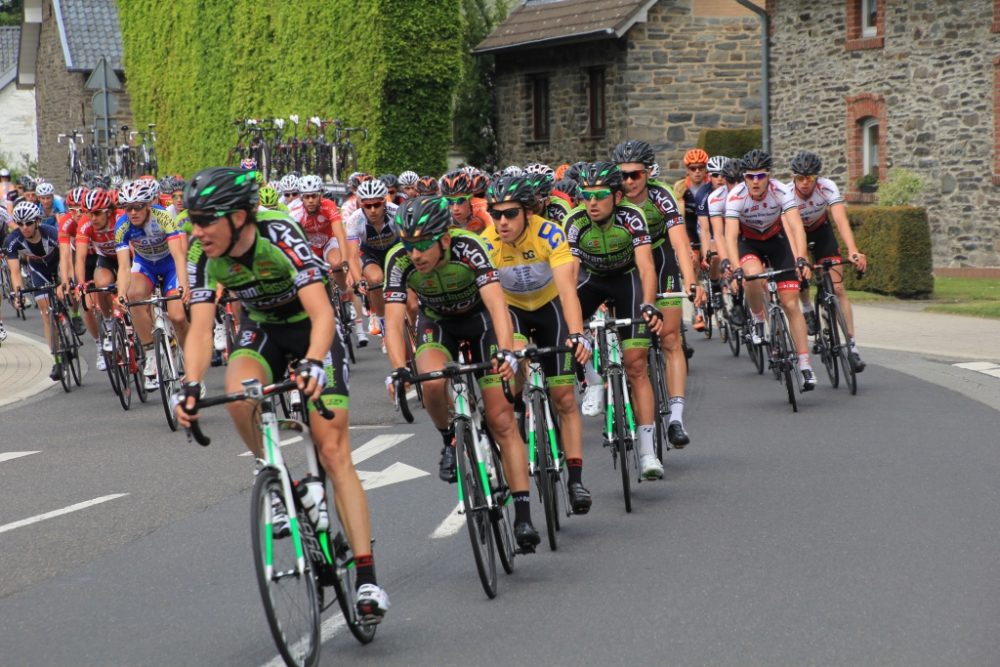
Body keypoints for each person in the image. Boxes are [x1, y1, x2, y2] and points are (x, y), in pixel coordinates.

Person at [176, 166, 389, 621]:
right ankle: (281, 482)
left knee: (333, 452)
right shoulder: (202, 252)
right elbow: (199, 324)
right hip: (264, 330)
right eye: (193, 219)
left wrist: (313, 361)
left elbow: (321, 312)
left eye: (206, 219)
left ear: (239, 217)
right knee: (238, 395)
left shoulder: (279, 233)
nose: (197, 230)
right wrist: (191, 384)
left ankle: (368, 578)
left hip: (310, 329)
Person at [382, 195, 542, 552]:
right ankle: (448, 440)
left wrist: (505, 351)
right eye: (409, 246)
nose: (415, 255)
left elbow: (497, 304)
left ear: (444, 239)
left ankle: (523, 514)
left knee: (501, 420)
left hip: (480, 322)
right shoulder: (399, 261)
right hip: (438, 325)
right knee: (433, 382)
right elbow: (393, 322)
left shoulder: (470, 247)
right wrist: (397, 369)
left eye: (423, 245)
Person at [481, 175, 595, 514]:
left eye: (511, 214)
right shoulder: (487, 243)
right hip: (512, 311)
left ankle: (575, 481)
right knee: (512, 361)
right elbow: (492, 306)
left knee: (563, 397)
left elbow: (567, 290)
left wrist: (576, 333)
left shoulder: (549, 233)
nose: (502, 221)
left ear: (528, 212)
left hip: (550, 309)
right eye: (496, 213)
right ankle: (516, 410)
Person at [563, 162, 667, 478]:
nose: (591, 203)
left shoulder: (631, 218)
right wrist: (576, 329)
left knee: (636, 365)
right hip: (591, 280)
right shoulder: (575, 221)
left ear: (617, 197)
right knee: (566, 332)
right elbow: (568, 276)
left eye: (600, 195)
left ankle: (648, 452)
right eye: (585, 195)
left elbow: (647, 267)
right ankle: (592, 379)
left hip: (627, 281)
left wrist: (649, 305)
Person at [610, 140, 701, 446]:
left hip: (661, 262)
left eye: (635, 175)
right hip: (626, 266)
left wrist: (691, 282)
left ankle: (675, 418)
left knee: (671, 338)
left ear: (648, 173)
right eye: (623, 175)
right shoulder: (612, 198)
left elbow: (679, 243)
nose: (629, 181)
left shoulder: (662, 196)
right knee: (632, 356)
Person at [722, 149, 817, 390]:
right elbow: (731, 236)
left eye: (760, 176)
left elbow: (796, 227)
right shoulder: (735, 196)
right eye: (750, 176)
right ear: (744, 177)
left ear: (768, 176)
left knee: (791, 303)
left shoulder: (781, 192)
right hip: (749, 242)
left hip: (776, 241)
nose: (755, 181)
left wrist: (801, 258)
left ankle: (805, 366)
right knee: (752, 277)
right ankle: (756, 317)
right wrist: (736, 269)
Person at [787, 150, 868, 371]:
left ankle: (852, 346)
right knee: (800, 275)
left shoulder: (827, 187)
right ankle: (806, 307)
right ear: (794, 177)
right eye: (800, 178)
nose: (805, 183)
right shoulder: (786, 194)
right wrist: (800, 259)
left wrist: (853, 250)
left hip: (821, 231)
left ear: (817, 178)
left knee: (839, 289)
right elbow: (791, 231)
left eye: (810, 178)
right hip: (795, 234)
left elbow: (840, 220)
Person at [114, 179, 191, 390]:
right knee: (134, 297)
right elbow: (123, 266)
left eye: (138, 206)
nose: (133, 212)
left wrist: (184, 285)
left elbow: (178, 255)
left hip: (169, 266)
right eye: (128, 208)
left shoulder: (163, 217)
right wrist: (121, 293)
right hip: (145, 264)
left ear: (148, 205)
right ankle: (150, 352)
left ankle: (190, 360)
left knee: (177, 315)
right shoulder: (122, 226)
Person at [4, 199, 65, 378]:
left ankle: (71, 318)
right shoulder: (12, 240)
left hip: (58, 264)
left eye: (29, 223)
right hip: (38, 269)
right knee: (46, 312)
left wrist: (64, 281)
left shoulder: (52, 233)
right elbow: (15, 272)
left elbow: (66, 258)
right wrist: (18, 294)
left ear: (37, 221)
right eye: (20, 224)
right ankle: (57, 360)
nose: (25, 228)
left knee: (66, 292)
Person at [439, 170, 491, 234]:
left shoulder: (482, 208)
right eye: (450, 201)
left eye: (461, 200)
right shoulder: (442, 213)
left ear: (471, 198)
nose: (455, 208)